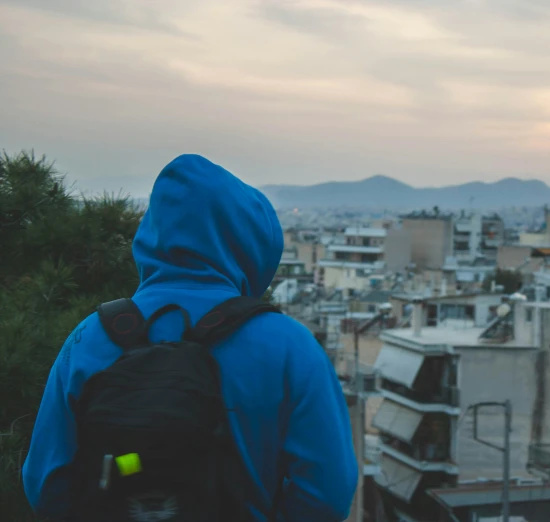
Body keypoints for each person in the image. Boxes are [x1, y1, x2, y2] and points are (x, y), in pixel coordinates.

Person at [22, 154, 358, 521]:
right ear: (250, 241)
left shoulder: (89, 337)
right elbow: (328, 493)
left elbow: (45, 482)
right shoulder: (289, 346)